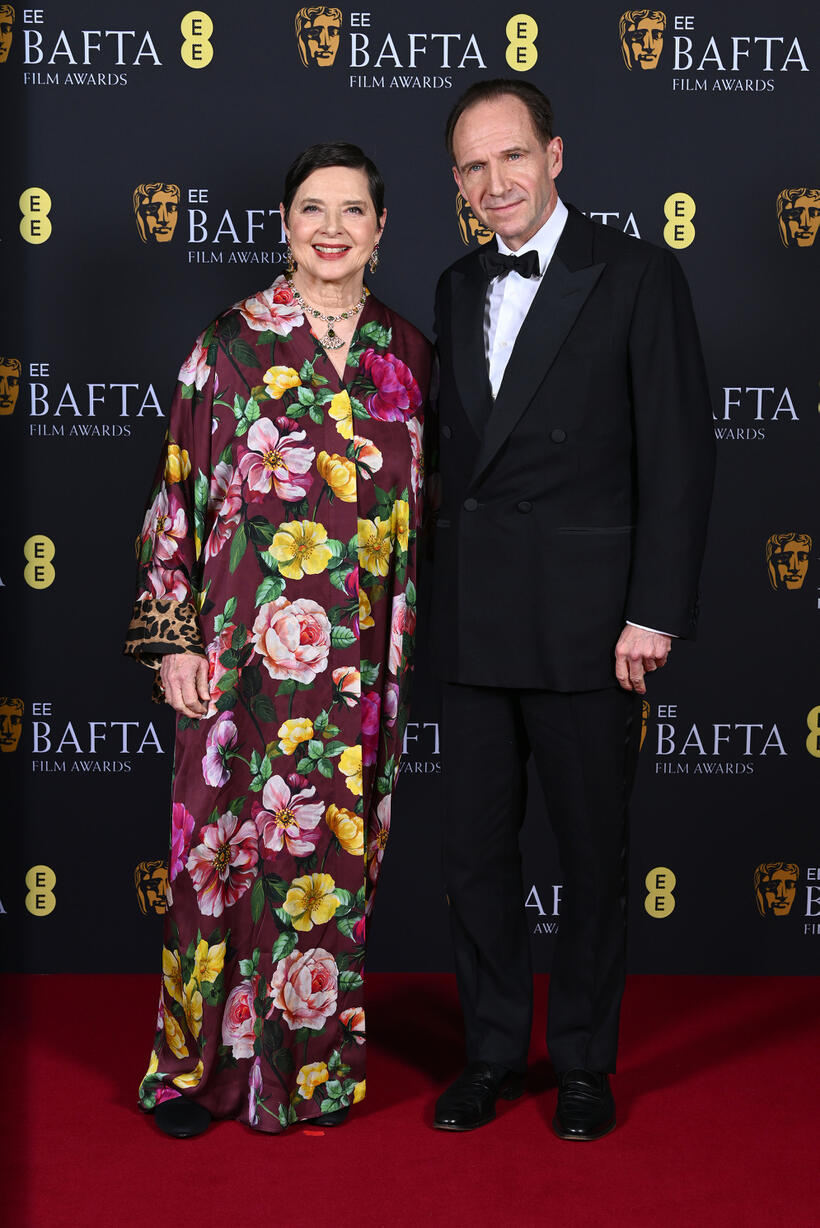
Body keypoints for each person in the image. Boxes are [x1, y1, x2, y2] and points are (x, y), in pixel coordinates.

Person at [125, 141, 431, 1137]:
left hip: (358, 672)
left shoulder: (410, 355)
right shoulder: (227, 345)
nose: (332, 228)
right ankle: (193, 1072)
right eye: (313, 209)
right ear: (285, 225)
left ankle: (310, 1076)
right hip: (239, 657)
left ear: (381, 232)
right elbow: (176, 497)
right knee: (220, 859)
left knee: (330, 873)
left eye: (353, 211)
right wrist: (174, 640)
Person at [429, 79, 715, 1139]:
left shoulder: (637, 274)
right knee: (473, 856)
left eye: (511, 157)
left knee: (593, 852)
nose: (495, 182)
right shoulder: (457, 284)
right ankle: (494, 1050)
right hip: (472, 621)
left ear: (556, 155)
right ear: (454, 183)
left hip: (595, 624)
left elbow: (679, 460)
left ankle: (584, 1060)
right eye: (472, 167)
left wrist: (654, 611)